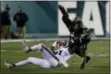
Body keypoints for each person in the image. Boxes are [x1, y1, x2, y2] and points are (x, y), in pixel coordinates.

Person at [59, 5, 91, 69]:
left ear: (79, 25)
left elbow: (87, 39)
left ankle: (85, 59)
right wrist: (63, 10)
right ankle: (84, 57)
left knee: (82, 51)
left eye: (77, 25)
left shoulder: (83, 29)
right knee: (69, 46)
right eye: (74, 24)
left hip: (78, 45)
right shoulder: (71, 25)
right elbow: (65, 18)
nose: (75, 26)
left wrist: (81, 39)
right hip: (71, 45)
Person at [4, 41, 72, 69]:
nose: (61, 44)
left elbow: (63, 60)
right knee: (29, 59)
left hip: (56, 62)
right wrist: (55, 44)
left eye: (62, 44)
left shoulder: (67, 50)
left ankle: (28, 49)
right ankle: (11, 65)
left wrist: (63, 63)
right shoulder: (60, 50)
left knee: (41, 45)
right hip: (49, 64)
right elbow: (52, 51)